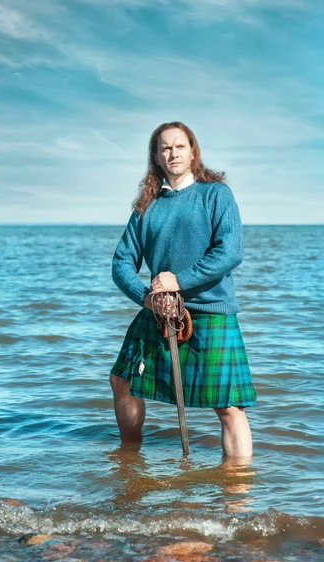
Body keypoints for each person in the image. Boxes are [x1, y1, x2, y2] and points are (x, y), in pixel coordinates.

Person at [110, 121, 257, 457]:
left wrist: (179, 280)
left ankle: (237, 491)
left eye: (179, 146)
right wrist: (146, 297)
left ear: (193, 152)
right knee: (123, 381)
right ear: (156, 158)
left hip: (211, 310)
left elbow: (230, 251)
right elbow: (121, 263)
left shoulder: (216, 194)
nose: (172, 153)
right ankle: (130, 457)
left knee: (229, 407)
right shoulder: (146, 206)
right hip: (159, 312)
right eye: (164, 148)